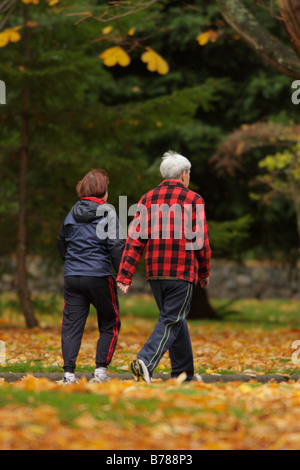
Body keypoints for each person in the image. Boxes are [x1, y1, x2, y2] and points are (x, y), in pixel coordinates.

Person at [117, 151, 211, 383]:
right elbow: (201, 240)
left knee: (175, 319)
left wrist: (125, 275)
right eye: (188, 173)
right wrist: (204, 271)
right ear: (183, 174)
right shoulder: (193, 199)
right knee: (171, 319)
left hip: (156, 273)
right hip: (181, 271)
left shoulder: (147, 199)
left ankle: (183, 375)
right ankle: (145, 361)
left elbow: (135, 239)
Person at [57, 169, 124, 384]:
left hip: (73, 276)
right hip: (99, 275)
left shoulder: (71, 213)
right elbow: (116, 245)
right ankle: (100, 372)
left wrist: (71, 262)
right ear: (103, 191)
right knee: (110, 321)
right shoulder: (108, 212)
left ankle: (68, 375)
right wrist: (123, 273)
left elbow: (62, 241)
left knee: (71, 325)